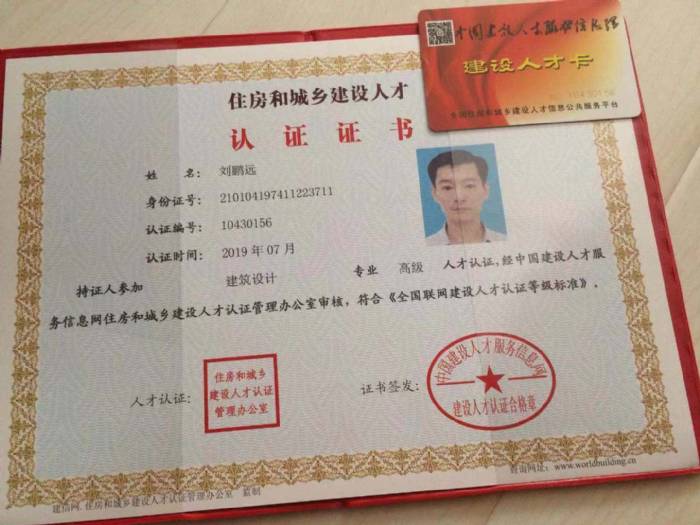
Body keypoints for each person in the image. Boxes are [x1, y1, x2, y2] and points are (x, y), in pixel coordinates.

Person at [425, 149, 506, 245]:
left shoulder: (504, 241)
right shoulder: (426, 246)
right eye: (447, 187)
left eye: (469, 186)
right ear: (434, 193)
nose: (459, 197)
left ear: (485, 190)